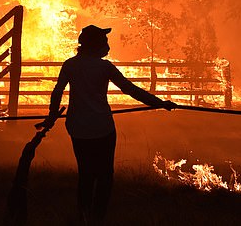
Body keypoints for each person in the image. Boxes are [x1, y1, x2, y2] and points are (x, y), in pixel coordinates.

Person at [36, 25, 176, 225]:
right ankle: (98, 218)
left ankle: (84, 216)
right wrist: (159, 103)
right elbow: (131, 90)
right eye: (104, 41)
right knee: (105, 176)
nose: (108, 46)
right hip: (102, 128)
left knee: (86, 174)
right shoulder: (105, 67)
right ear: (96, 45)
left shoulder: (70, 65)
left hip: (78, 128)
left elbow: (58, 91)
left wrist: (51, 116)